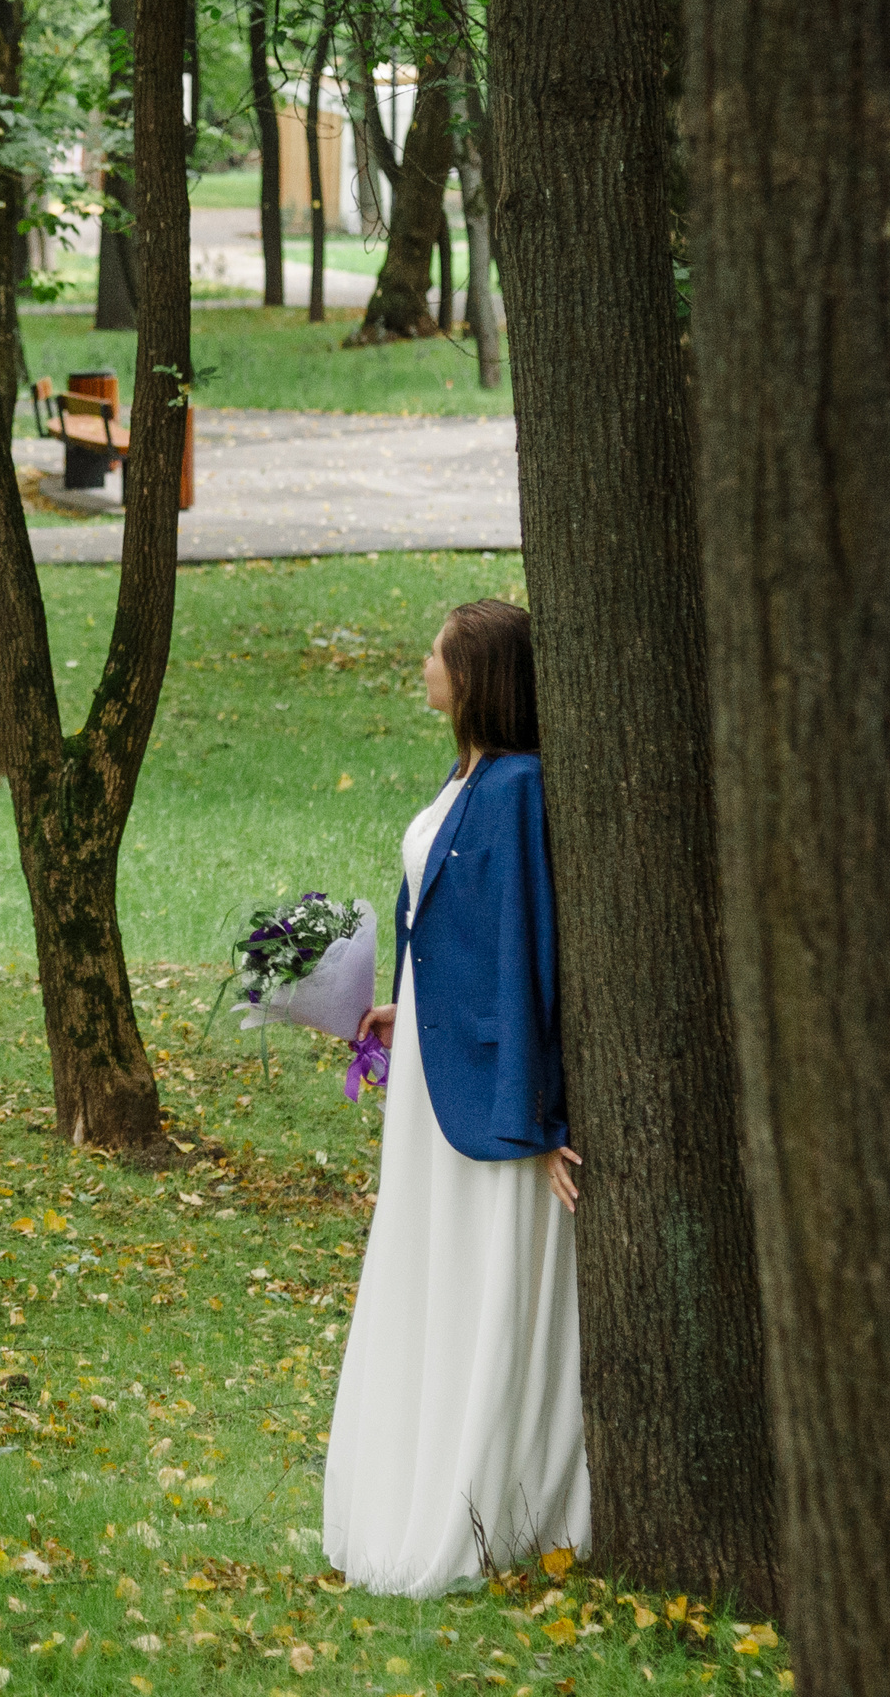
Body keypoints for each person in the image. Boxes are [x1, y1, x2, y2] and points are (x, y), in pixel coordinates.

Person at [322, 598, 588, 1594]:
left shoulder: (519, 787)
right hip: (430, 1071)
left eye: (438, 650)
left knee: (488, 1267)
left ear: (474, 673)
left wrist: (534, 1117)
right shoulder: (465, 774)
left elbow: (528, 952)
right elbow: (449, 921)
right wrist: (401, 1003)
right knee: (428, 1254)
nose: (424, 661)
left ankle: (492, 1493)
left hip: (487, 1085)